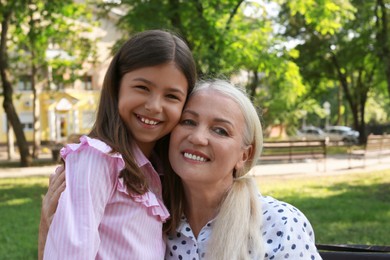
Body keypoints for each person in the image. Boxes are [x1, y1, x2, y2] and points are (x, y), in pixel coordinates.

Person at [41, 79, 322, 259]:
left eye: (220, 130)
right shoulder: (155, 226)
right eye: (188, 122)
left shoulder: (278, 224)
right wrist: (49, 230)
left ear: (244, 155)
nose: (198, 137)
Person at [38, 29, 197, 259]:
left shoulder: (158, 171)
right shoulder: (96, 158)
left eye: (171, 96)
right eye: (142, 88)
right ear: (116, 86)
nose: (154, 106)